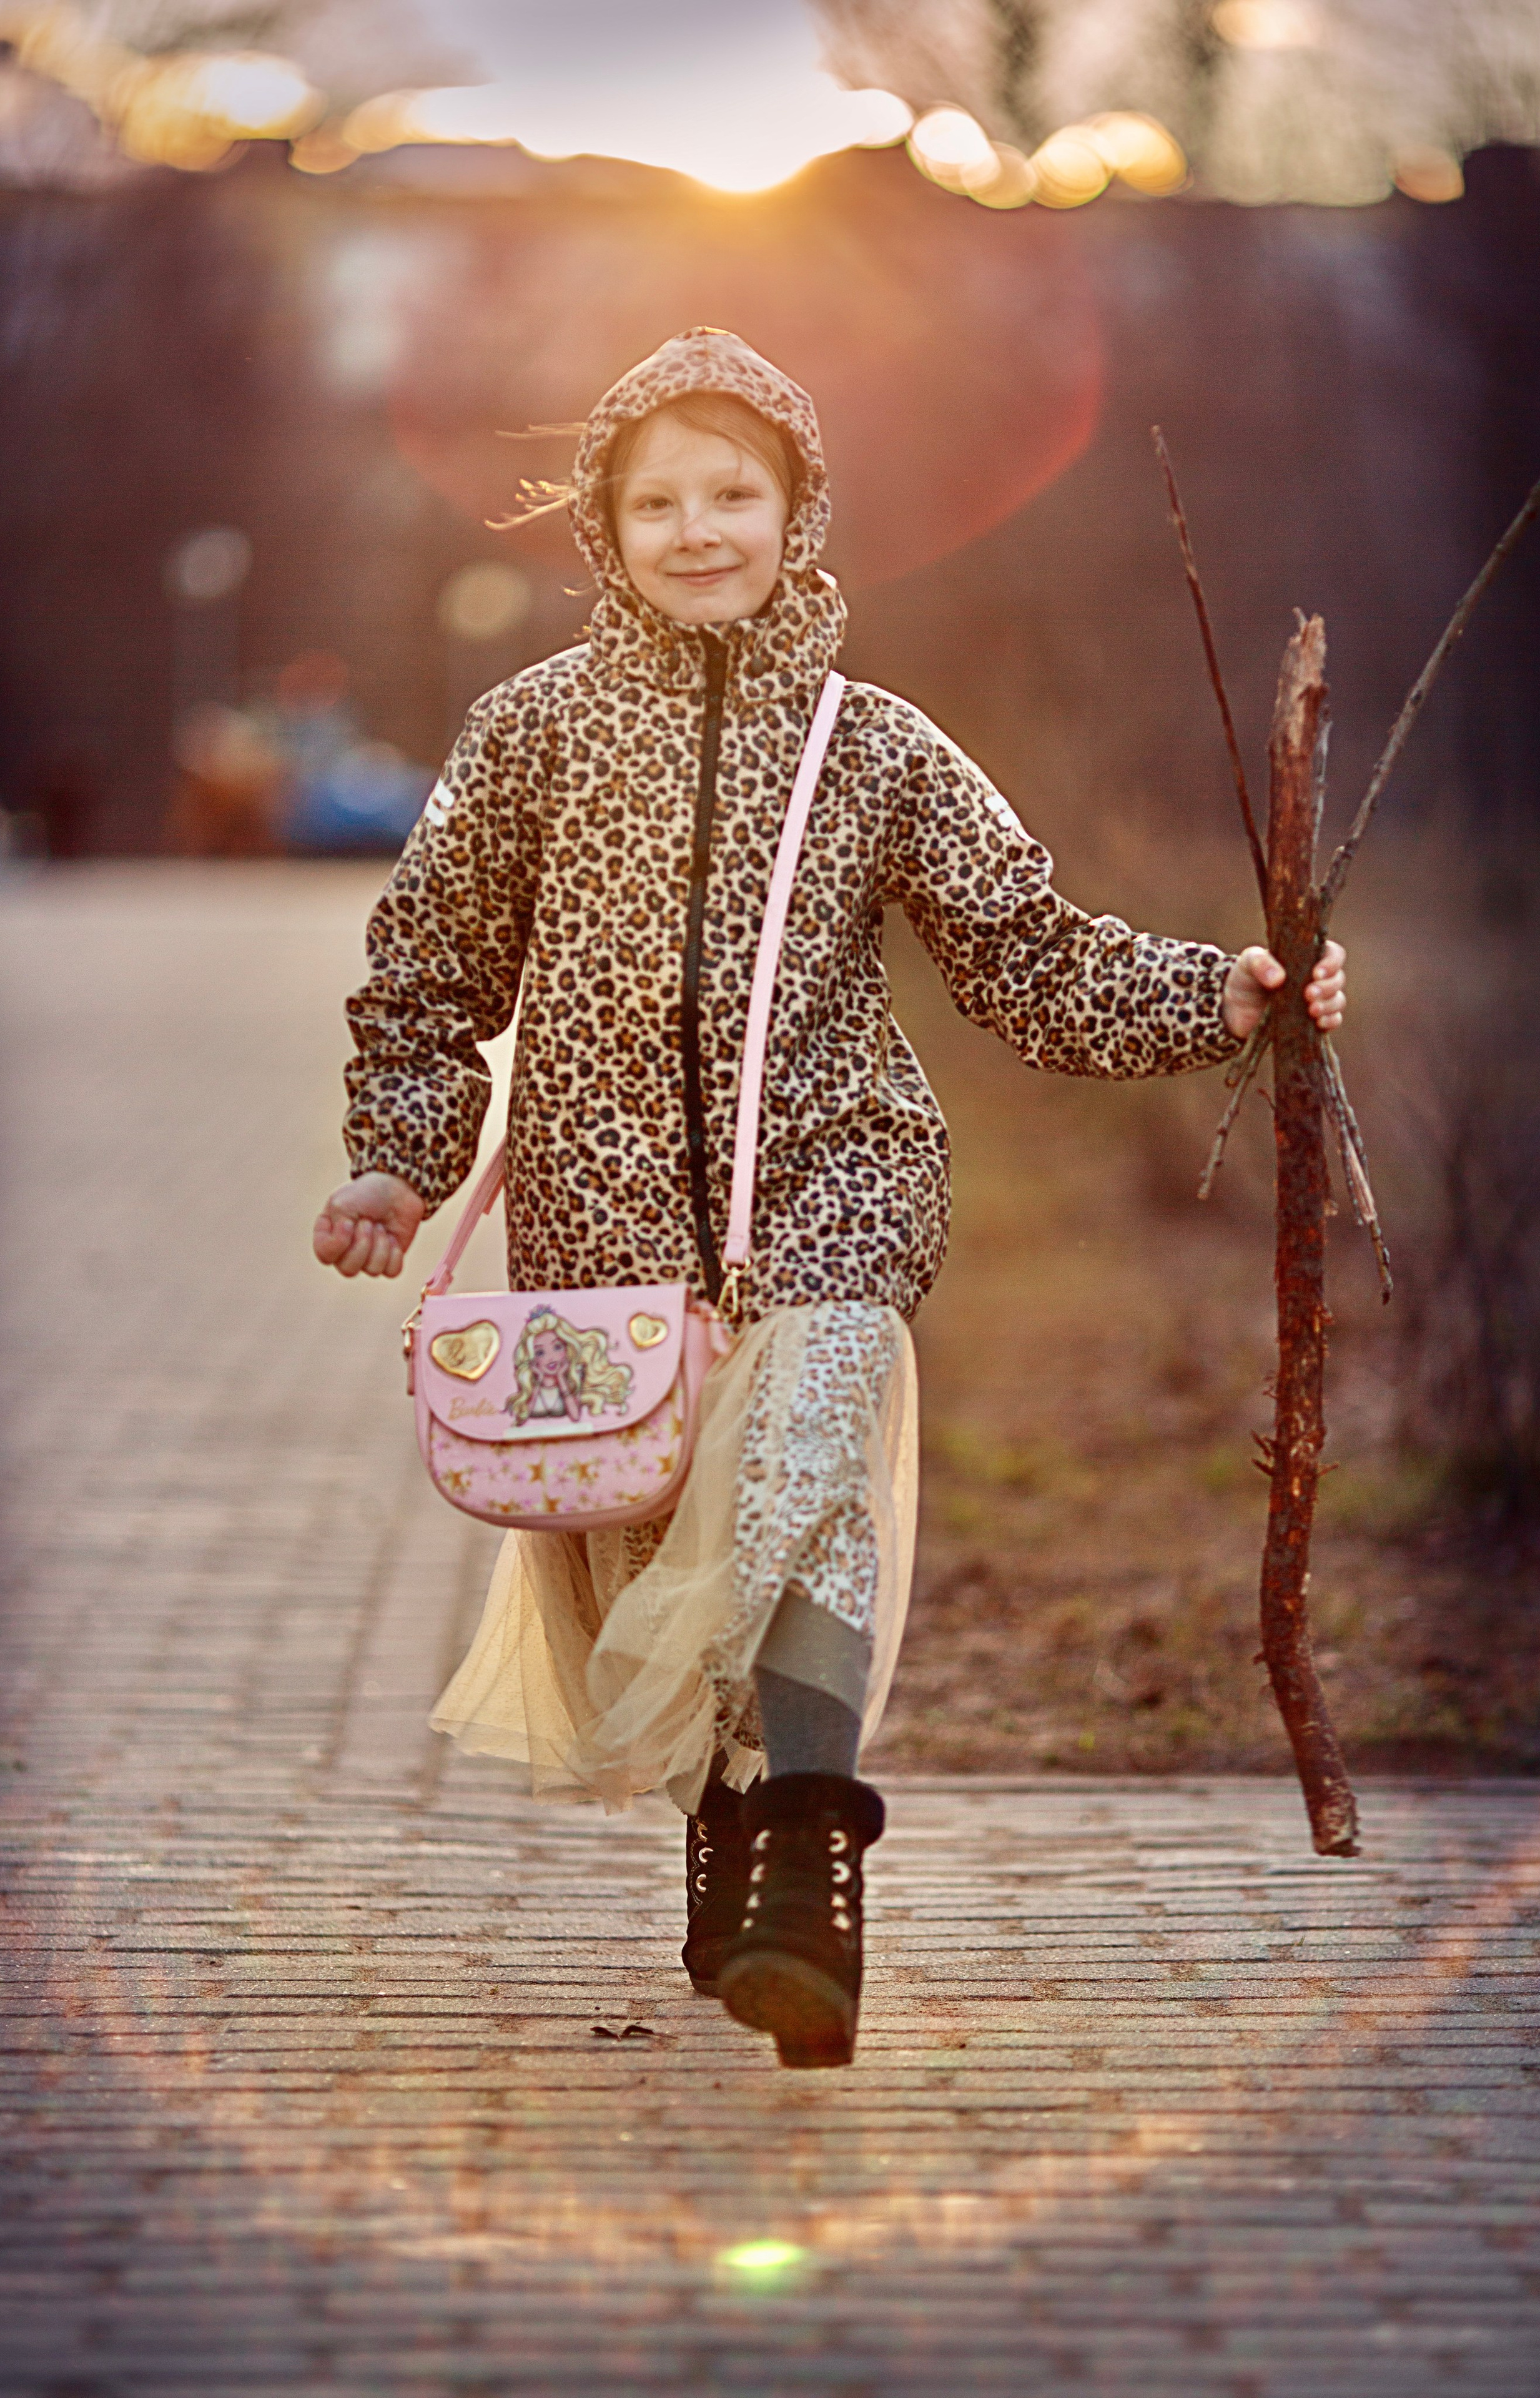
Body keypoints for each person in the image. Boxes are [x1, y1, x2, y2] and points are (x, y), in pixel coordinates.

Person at [312, 328, 1345, 2070]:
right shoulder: (534, 736)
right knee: (671, 1559)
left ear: (802, 512)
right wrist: (394, 1159)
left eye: (737, 493)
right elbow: (422, 971)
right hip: (606, 1241)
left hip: (838, 1194)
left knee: (805, 1494)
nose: (699, 528)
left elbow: (1027, 955)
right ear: (606, 530)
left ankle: (810, 1859)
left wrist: (1225, 995)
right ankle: (733, 1823)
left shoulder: (877, 749)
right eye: (659, 501)